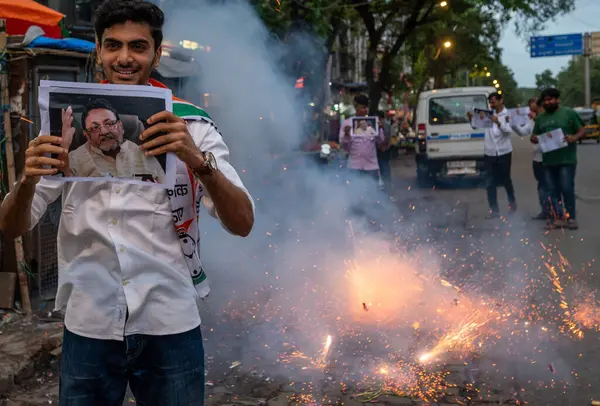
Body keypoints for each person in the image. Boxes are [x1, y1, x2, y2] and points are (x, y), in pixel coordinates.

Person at [0, 1, 255, 405]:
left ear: (156, 52)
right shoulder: (62, 134)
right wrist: (29, 180)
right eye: (112, 46)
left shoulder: (192, 125)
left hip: (170, 321)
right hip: (89, 325)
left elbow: (242, 222)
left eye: (137, 46)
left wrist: (197, 162)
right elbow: (10, 227)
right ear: (98, 51)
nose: (124, 58)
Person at [63, 99, 165, 181]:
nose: (104, 132)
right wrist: (63, 149)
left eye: (109, 124)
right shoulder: (74, 160)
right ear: (86, 135)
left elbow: (165, 194)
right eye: (95, 128)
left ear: (120, 126)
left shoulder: (144, 155)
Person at [532, 88, 584, 230]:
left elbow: (581, 131)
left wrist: (573, 138)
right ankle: (558, 218)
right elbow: (533, 136)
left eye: (551, 99)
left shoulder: (569, 113)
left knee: (566, 188)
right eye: (545, 100)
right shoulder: (540, 119)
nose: (548, 102)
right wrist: (535, 138)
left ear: (557, 100)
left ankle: (571, 217)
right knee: (552, 191)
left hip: (567, 159)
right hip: (548, 161)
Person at [470, 92, 517, 219]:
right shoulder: (487, 114)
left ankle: (512, 204)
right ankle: (494, 210)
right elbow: (475, 126)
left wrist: (499, 123)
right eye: (490, 102)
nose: (492, 104)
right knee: (489, 182)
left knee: (506, 179)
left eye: (494, 101)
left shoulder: (508, 114)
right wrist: (472, 118)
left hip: (504, 152)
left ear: (501, 101)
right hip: (489, 152)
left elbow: (508, 131)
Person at [510, 97, 550, 220]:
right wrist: (513, 123)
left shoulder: (547, 120)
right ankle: (545, 211)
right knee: (541, 186)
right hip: (536, 159)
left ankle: (554, 212)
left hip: (548, 158)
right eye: (532, 110)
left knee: (549, 186)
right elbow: (522, 132)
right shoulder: (532, 122)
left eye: (536, 110)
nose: (533, 113)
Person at [339, 94, 384, 184]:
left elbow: (381, 141)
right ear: (356, 107)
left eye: (366, 107)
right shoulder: (348, 123)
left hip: (371, 166)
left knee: (372, 194)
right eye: (363, 107)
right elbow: (343, 145)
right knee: (354, 194)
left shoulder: (373, 123)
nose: (365, 110)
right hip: (354, 166)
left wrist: (379, 129)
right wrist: (347, 135)